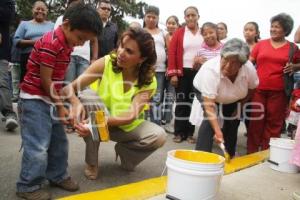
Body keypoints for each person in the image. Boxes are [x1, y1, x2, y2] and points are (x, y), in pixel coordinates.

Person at [16, 3, 102, 200]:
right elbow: (47, 82)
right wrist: (62, 107)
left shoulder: (67, 44)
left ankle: (57, 175)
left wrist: (69, 104)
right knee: (38, 145)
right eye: (80, 38)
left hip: (50, 98)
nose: (81, 44)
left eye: (86, 41)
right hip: (34, 99)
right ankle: (28, 185)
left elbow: (59, 81)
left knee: (59, 141)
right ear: (66, 24)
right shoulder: (52, 43)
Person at [61, 27, 167, 180]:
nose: (121, 52)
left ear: (142, 58)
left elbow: (130, 116)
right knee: (88, 95)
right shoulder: (105, 63)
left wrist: (94, 124)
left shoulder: (149, 81)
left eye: (129, 51)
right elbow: (69, 88)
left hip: (124, 126)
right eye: (121, 46)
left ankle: (126, 153)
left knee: (159, 136)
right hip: (99, 119)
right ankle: (92, 162)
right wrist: (75, 103)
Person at [193, 38, 259, 157]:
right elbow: (209, 106)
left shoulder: (248, 69)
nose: (228, 66)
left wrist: (240, 107)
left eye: (234, 63)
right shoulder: (210, 70)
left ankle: (229, 155)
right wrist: (218, 132)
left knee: (233, 120)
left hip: (234, 98)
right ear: (221, 56)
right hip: (207, 94)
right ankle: (201, 156)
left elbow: (252, 89)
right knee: (211, 120)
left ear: (241, 65)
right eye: (225, 60)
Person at [247, 13, 300, 153]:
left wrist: (295, 67)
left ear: (286, 30)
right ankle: (251, 152)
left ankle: (267, 152)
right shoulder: (261, 44)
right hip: (258, 89)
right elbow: (249, 62)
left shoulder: (293, 48)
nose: (273, 29)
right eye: (272, 26)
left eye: (277, 27)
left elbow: (299, 63)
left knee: (274, 123)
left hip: (280, 91)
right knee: (255, 122)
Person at [167, 6, 203, 143]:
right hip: (182, 73)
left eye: (193, 15)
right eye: (188, 16)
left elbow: (208, 49)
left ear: (198, 16)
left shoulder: (203, 33)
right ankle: (179, 132)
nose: (190, 18)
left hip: (198, 73)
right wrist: (173, 74)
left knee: (194, 104)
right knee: (182, 102)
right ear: (185, 18)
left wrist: (202, 60)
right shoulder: (179, 32)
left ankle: (190, 133)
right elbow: (172, 53)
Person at [54, 0, 99, 83]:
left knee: (84, 85)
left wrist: (94, 58)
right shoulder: (61, 18)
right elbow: (57, 37)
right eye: (80, 38)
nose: (82, 43)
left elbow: (94, 41)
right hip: (69, 55)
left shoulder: (88, 21)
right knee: (68, 83)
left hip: (84, 57)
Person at [189, 22, 223, 127]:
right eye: (205, 34)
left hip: (221, 85)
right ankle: (209, 131)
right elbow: (195, 69)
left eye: (211, 32)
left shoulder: (225, 48)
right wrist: (196, 61)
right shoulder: (201, 51)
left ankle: (218, 132)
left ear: (216, 32)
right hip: (206, 86)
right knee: (208, 111)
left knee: (220, 111)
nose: (208, 36)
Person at [14, 1, 54, 82]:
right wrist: (35, 42)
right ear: (33, 10)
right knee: (26, 81)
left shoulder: (52, 25)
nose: (40, 11)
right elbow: (16, 41)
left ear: (46, 11)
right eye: (38, 9)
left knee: (44, 82)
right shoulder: (24, 24)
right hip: (27, 57)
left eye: (43, 10)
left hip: (47, 58)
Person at [143, 6, 167, 126]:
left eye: (154, 17)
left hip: (160, 70)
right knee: (143, 96)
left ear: (158, 19)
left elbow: (169, 49)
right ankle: (140, 123)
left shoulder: (163, 33)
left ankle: (155, 124)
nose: (151, 19)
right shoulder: (140, 31)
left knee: (157, 98)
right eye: (149, 16)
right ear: (144, 17)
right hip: (143, 70)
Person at [0, 0, 19, 131]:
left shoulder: (8, 2)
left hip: (1, 51)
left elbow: (8, 15)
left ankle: (9, 113)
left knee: (2, 81)